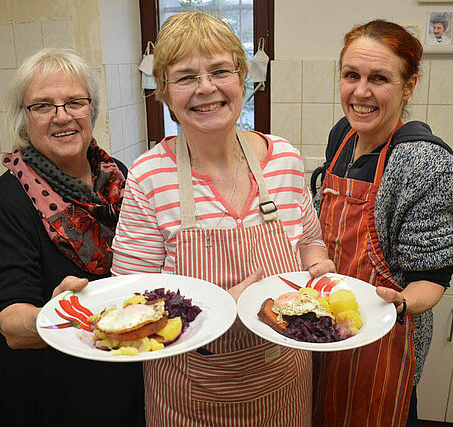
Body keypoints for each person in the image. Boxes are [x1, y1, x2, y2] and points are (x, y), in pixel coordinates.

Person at [111, 12, 334, 427]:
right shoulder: (147, 176)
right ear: (165, 91)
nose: (206, 88)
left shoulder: (283, 158)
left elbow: (308, 242)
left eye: (219, 71)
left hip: (282, 379)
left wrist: (319, 269)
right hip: (190, 391)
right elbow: (133, 301)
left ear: (242, 77)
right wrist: (212, 311)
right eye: (185, 77)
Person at [312, 20, 453, 426]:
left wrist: (401, 302)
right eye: (352, 76)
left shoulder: (425, 165)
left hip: (383, 339)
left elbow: (432, 281)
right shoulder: (342, 138)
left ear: (409, 85)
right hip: (326, 326)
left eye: (379, 78)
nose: (361, 92)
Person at [0, 48, 144, 427]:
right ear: (25, 119)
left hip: (124, 378)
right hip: (54, 395)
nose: (62, 116)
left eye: (74, 102)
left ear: (92, 110)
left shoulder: (118, 175)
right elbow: (10, 322)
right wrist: (53, 316)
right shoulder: (6, 202)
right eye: (43, 106)